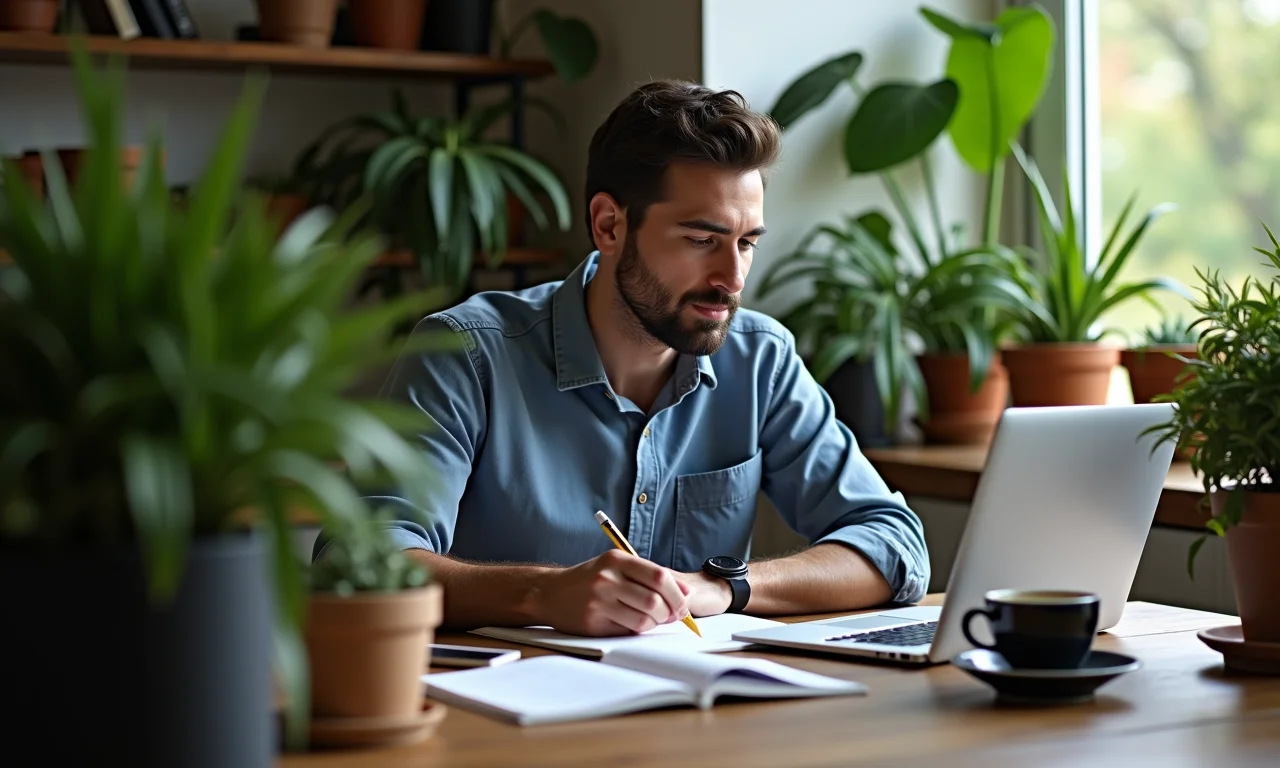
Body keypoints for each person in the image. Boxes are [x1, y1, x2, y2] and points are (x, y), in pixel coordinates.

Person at [315, 80, 929, 636]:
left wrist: (723, 589)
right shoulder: (466, 354)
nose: (733, 278)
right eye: (702, 240)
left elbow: (893, 544)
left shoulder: (759, 358)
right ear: (609, 225)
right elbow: (360, 564)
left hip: (699, 708)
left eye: (746, 243)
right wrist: (542, 594)